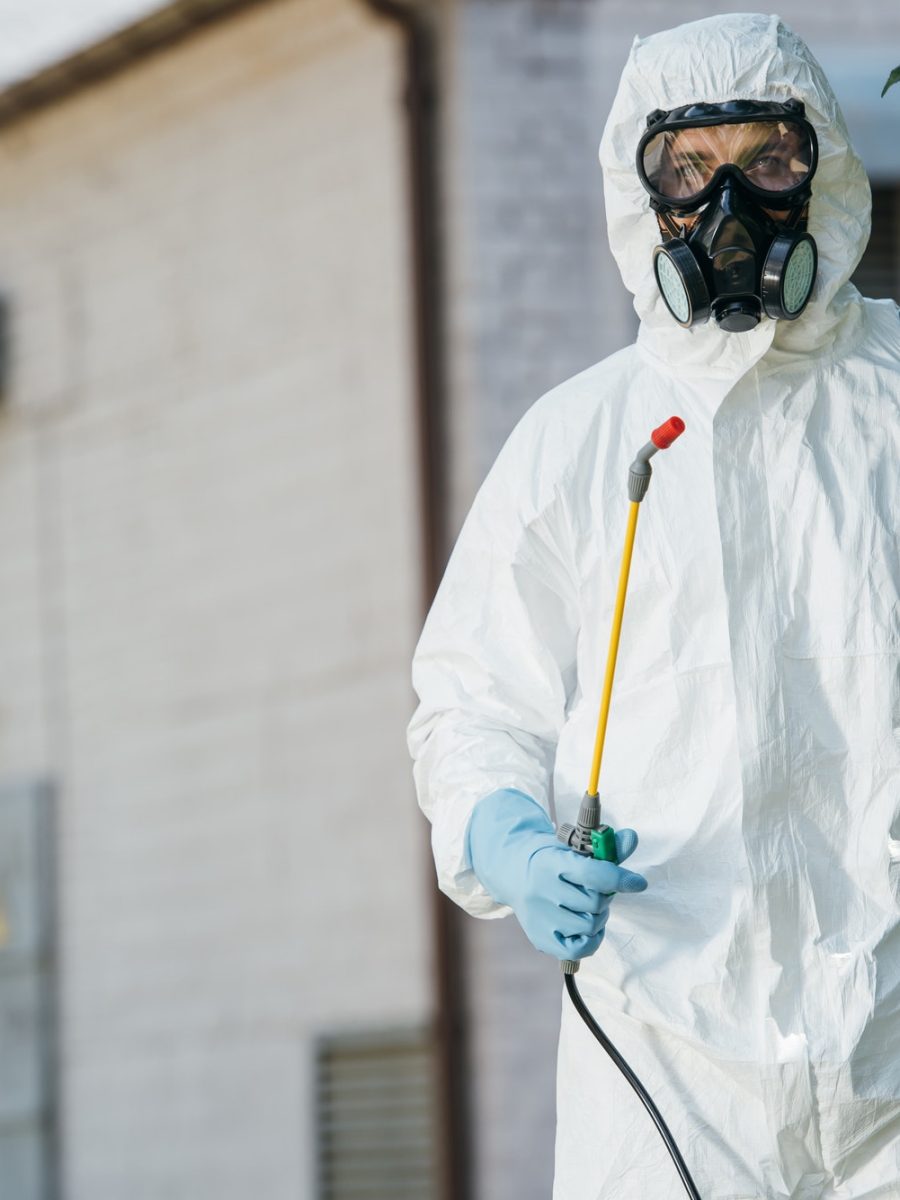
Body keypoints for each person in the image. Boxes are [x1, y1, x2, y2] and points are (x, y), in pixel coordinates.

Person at [408, 12, 900, 1200]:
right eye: (689, 171)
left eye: (767, 163)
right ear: (646, 201)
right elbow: (469, 708)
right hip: (667, 1061)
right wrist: (508, 843)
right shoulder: (580, 443)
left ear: (821, 163)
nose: (731, 206)